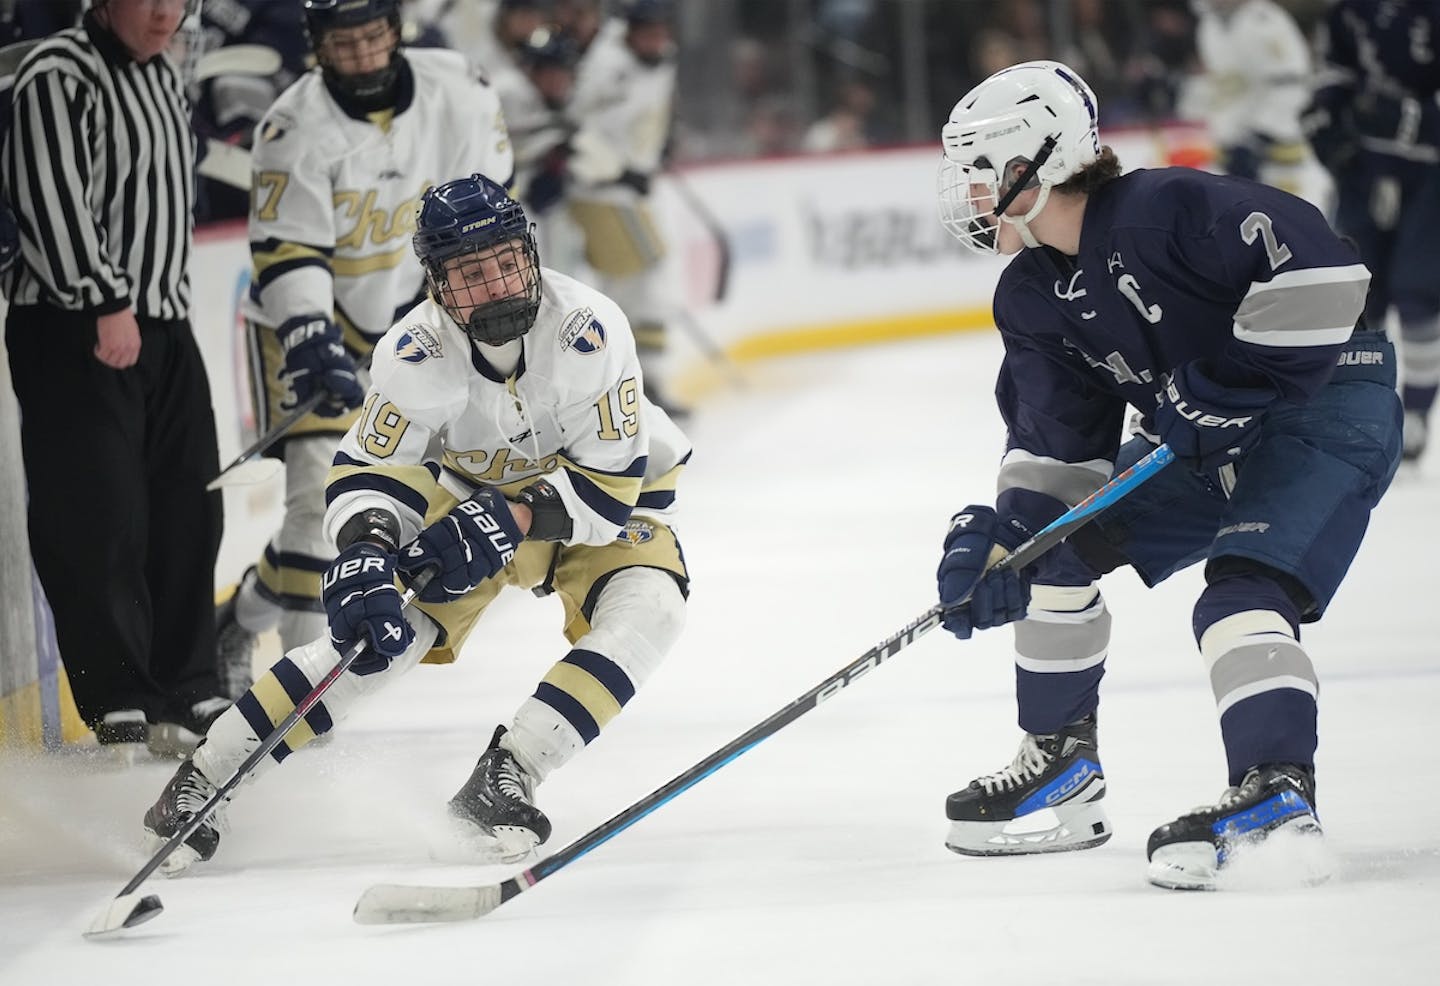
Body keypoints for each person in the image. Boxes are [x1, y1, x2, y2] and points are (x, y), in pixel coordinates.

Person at [933, 61, 1402, 890]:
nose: (965, 193)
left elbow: (1327, 274)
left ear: (1037, 162)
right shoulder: (1031, 296)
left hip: (1324, 408)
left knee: (1240, 594)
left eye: (981, 171)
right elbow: (1060, 447)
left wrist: (1233, 382)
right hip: (1200, 441)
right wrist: (1009, 533)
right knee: (1053, 554)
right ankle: (1063, 767)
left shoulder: (1165, 211)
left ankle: (1277, 795)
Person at [142, 174, 691, 875]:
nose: (493, 286)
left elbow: (610, 490)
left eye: (503, 263)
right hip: (468, 497)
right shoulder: (414, 353)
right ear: (435, 284)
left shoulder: (590, 328)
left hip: (597, 503)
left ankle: (508, 776)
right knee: (375, 639)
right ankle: (204, 778)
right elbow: (372, 471)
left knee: (653, 610)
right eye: (468, 273)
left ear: (528, 253)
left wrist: (510, 517)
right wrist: (369, 549)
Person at [214, 0, 514, 697]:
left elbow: (490, 215)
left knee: (407, 499)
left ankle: (241, 614)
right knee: (321, 507)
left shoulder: (459, 91)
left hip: (420, 321)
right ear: (316, 44)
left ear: (396, 30)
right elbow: (290, 249)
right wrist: (311, 337)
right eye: (342, 44)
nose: (361, 55)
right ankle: (299, 683)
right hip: (308, 330)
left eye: (373, 36)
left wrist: (440, 315)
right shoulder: (292, 125)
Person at [2, 0, 230, 756]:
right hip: (78, 324)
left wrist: (153, 311)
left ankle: (190, 684)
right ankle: (120, 695)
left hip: (162, 323)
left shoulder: (164, 77)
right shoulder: (57, 71)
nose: (168, 12)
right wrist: (105, 299)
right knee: (98, 517)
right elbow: (49, 197)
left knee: (189, 504)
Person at [1302, 0, 1440, 463]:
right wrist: (1325, 117)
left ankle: (1417, 410)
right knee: (1357, 291)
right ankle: (1361, 405)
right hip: (1365, 168)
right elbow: (1335, 72)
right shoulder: (1349, 10)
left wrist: (1413, 118)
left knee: (1419, 287)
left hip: (1432, 172)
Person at [564, 0, 685, 416]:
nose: (656, 38)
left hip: (632, 191)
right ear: (630, 31)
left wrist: (660, 145)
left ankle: (639, 382)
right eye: (648, 31)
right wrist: (614, 172)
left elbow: (654, 110)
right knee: (637, 282)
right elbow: (573, 127)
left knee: (642, 281)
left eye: (661, 30)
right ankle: (632, 384)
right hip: (601, 192)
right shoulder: (602, 65)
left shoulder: (662, 59)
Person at [1186, 0, 1312, 191]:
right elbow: (1223, 86)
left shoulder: (1264, 21)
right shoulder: (1208, 25)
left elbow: (1289, 85)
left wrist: (1259, 137)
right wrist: (1179, 91)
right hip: (1230, 152)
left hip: (1277, 158)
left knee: (1285, 216)